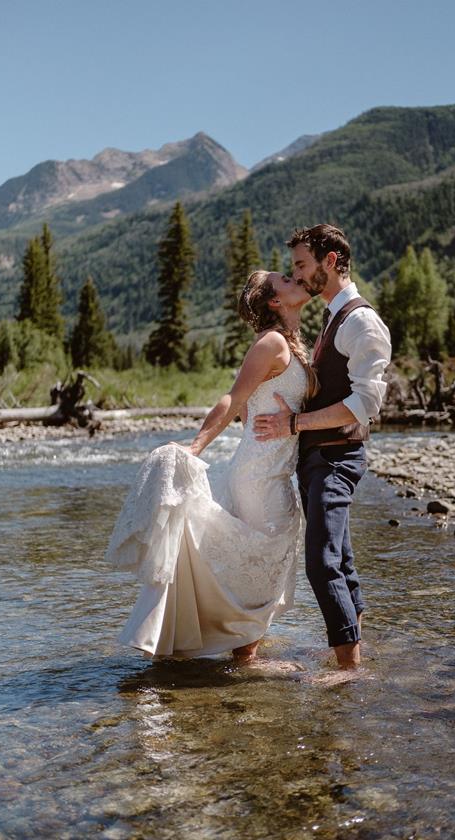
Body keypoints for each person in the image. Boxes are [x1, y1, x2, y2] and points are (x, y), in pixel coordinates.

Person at [107, 271, 314, 663]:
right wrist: (197, 445)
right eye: (286, 279)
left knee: (264, 561)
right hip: (259, 475)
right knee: (262, 561)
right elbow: (233, 398)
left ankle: (240, 650)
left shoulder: (292, 343)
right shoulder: (271, 343)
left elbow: (257, 404)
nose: (296, 278)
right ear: (275, 301)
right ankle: (242, 656)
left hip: (274, 471)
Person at [253, 225, 391, 669]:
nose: (297, 273)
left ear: (330, 262)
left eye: (301, 265)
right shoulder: (335, 316)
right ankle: (353, 653)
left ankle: (348, 671)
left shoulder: (361, 320)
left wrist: (296, 422)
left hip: (335, 456)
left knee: (321, 564)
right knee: (341, 561)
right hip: (319, 458)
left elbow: (365, 404)